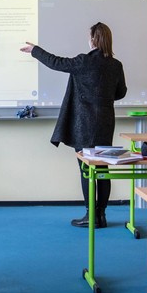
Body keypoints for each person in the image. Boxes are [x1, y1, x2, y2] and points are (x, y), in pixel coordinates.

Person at [21, 22, 127, 228]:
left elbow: (56, 62)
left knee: (86, 171)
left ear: (93, 40)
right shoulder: (116, 65)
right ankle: (101, 215)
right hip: (105, 123)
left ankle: (90, 216)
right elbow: (120, 92)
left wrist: (35, 50)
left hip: (84, 125)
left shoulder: (83, 61)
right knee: (103, 169)